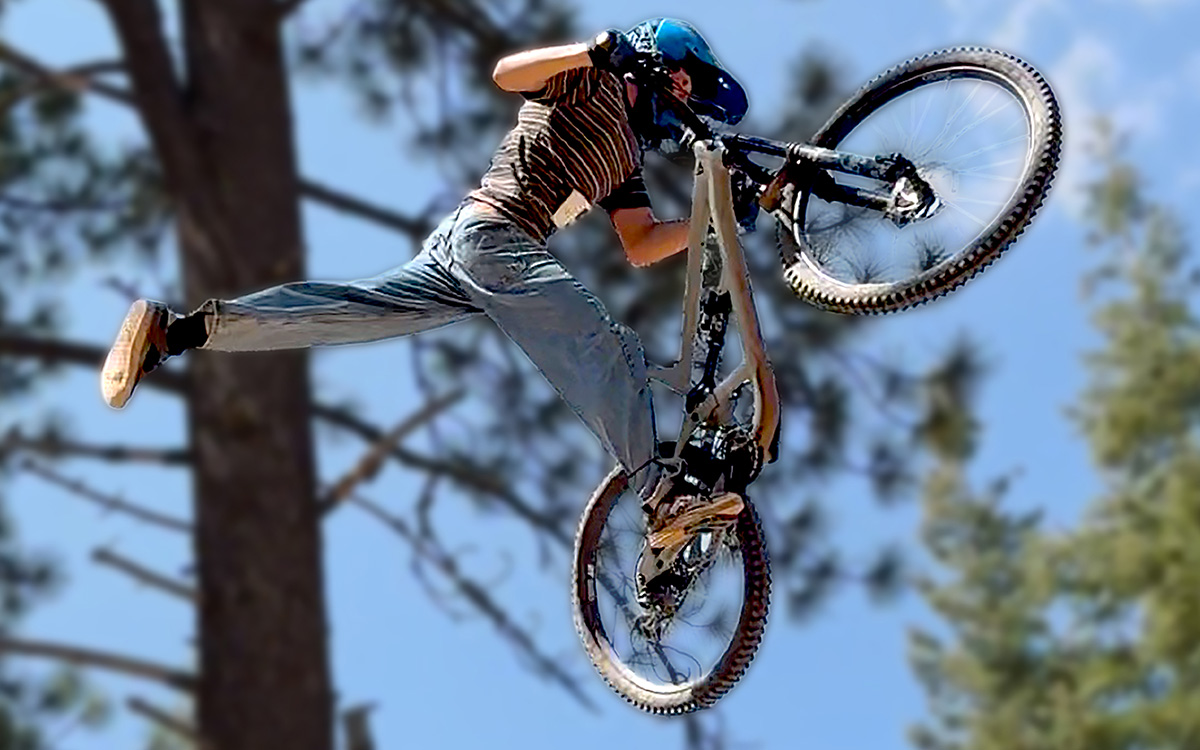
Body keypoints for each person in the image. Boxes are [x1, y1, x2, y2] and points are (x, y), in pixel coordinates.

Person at [100, 18, 751, 524]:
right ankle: (660, 496)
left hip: (469, 256)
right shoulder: (591, 80)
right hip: (493, 237)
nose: (684, 95)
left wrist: (715, 218)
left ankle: (180, 331)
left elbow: (640, 242)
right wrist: (590, 51)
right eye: (685, 79)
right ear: (659, 57)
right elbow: (507, 74)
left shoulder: (626, 160)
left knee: (348, 311)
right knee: (605, 345)